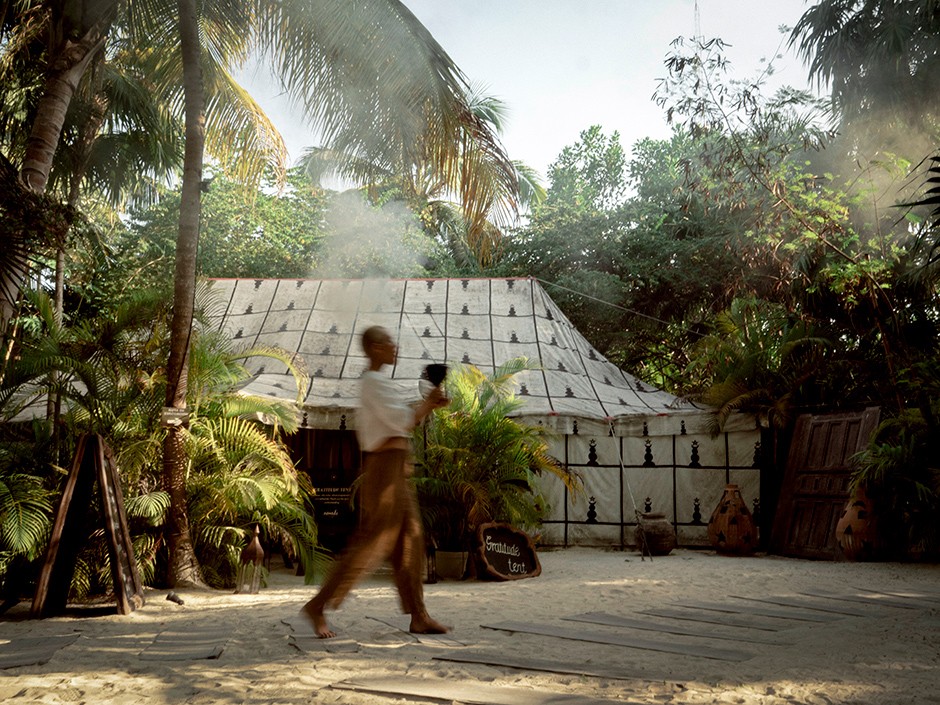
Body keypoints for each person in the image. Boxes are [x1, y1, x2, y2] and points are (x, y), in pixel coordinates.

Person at [301, 325, 450, 638]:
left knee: (411, 539)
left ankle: (419, 615)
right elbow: (400, 421)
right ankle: (319, 604)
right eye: (390, 342)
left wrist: (426, 406)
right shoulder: (371, 382)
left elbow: (401, 420)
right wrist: (426, 405)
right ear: (376, 347)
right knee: (371, 542)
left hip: (396, 468)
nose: (395, 347)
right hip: (384, 470)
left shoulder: (379, 382)